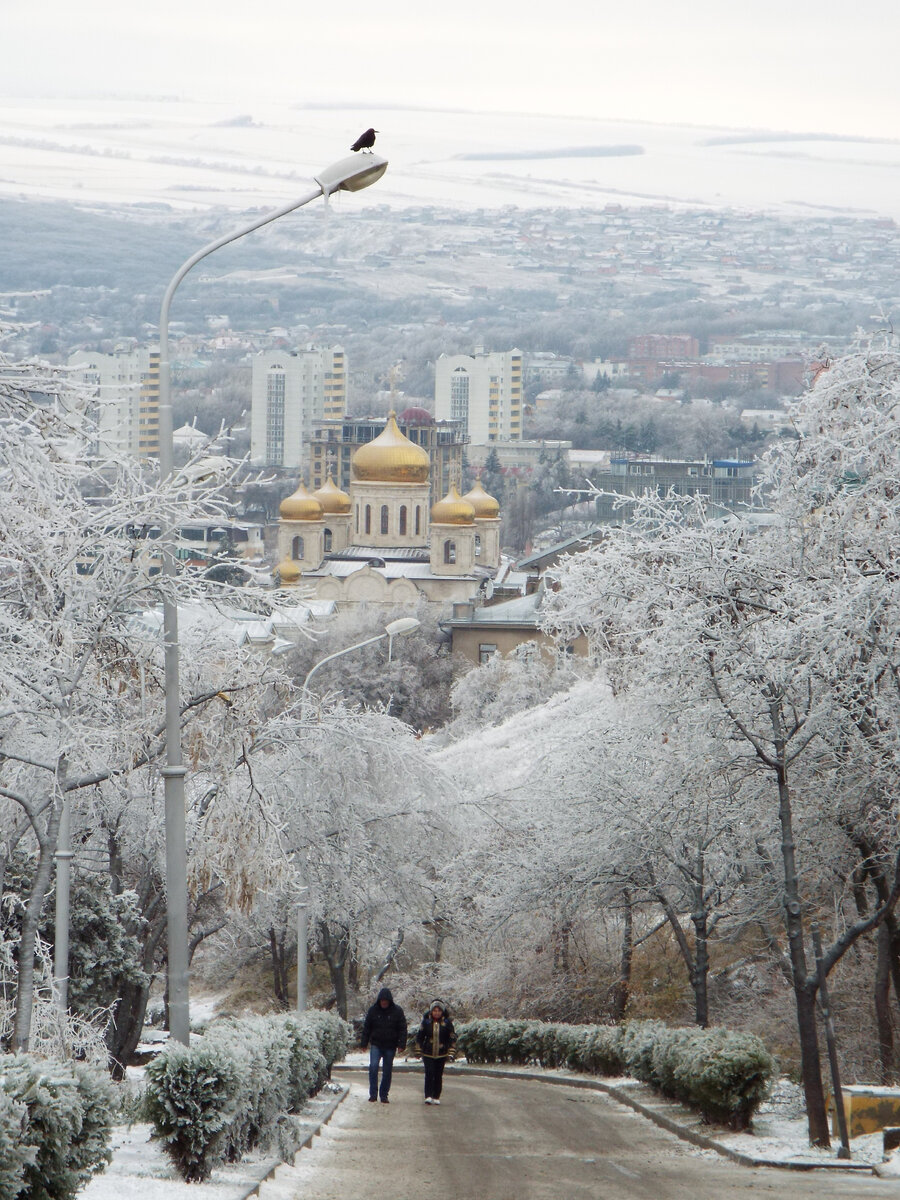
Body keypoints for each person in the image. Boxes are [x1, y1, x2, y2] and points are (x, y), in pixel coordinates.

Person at [360, 986, 407, 1103]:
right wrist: (363, 1043)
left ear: (389, 1001)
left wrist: (401, 1044)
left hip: (390, 1046)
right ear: (379, 1001)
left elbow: (402, 1029)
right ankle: (373, 1094)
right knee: (373, 1067)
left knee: (387, 1070)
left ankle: (384, 1094)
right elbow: (367, 1028)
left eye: (386, 1001)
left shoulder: (397, 1011)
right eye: (382, 1001)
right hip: (376, 1044)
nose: (384, 1003)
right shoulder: (373, 1011)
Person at [416, 999, 456, 1105]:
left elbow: (452, 1038)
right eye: (435, 1010)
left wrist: (451, 1051)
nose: (437, 1013)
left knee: (438, 1075)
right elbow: (420, 1037)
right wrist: (418, 1050)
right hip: (428, 1052)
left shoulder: (447, 1023)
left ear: (442, 1011)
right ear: (431, 1011)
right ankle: (428, 1095)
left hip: (441, 1053)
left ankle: (436, 1096)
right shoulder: (426, 1022)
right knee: (429, 1073)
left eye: (439, 1010)